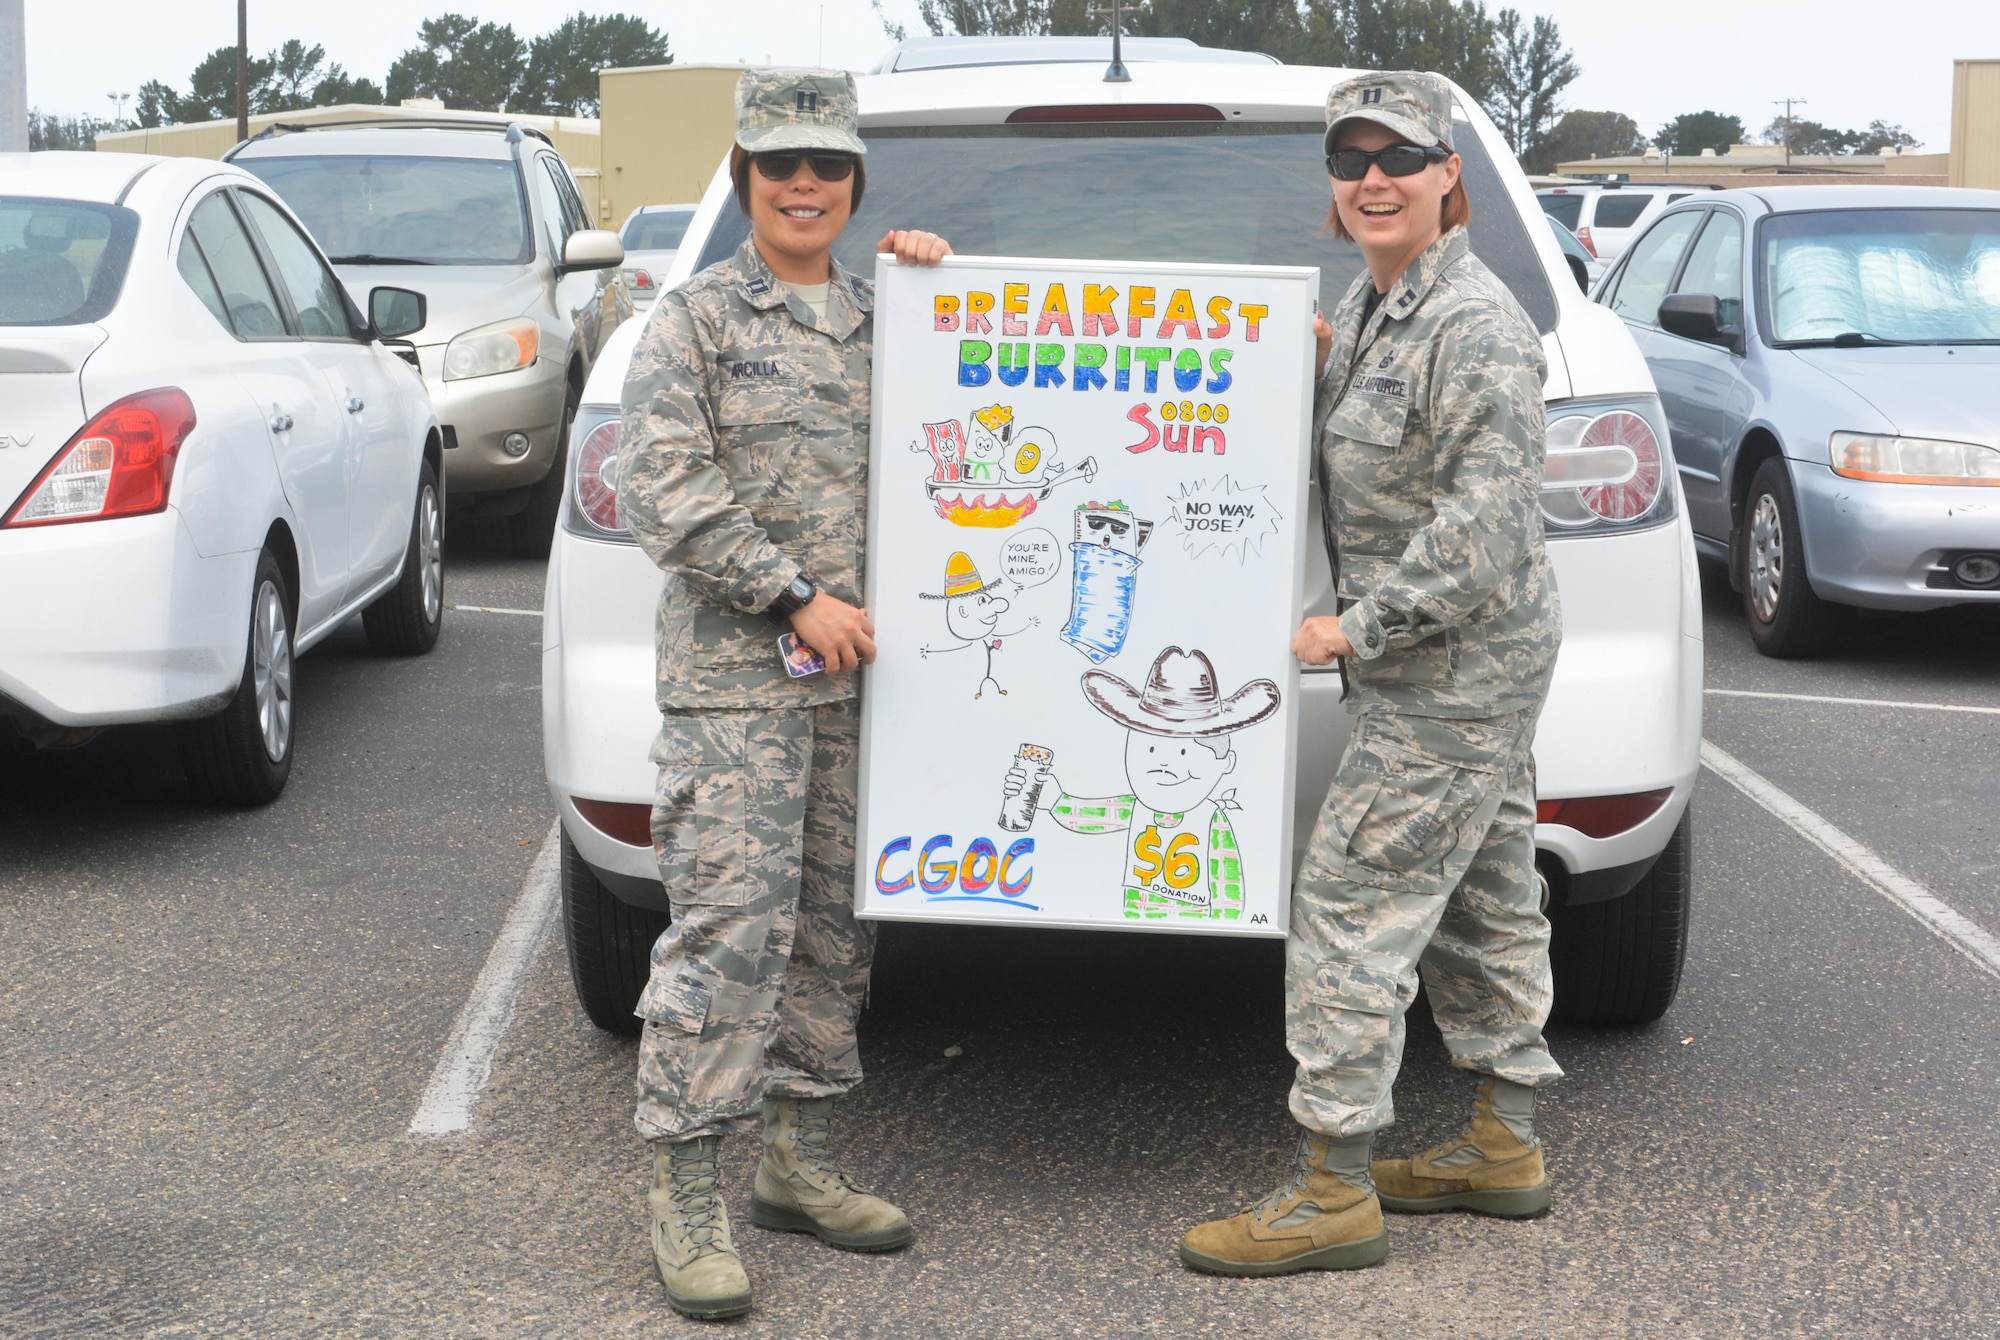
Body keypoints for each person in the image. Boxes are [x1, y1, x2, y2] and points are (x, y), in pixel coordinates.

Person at [1179, 70, 1564, 1277]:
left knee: (1349, 903)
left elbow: (1485, 521)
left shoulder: (1473, 323)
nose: (1372, 180)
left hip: (1449, 663)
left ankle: (1330, 1188)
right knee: (1482, 887)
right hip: (1450, 665)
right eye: (1348, 162)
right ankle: (1501, 1146)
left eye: (1397, 155)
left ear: (1449, 175)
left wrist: (1354, 626)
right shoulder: (1374, 308)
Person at [613, 67, 953, 1321]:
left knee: (831, 927)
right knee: (726, 932)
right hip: (739, 686)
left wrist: (949, 284)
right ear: (746, 178)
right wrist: (788, 591)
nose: (801, 184)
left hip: (865, 690)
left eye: (824, 165)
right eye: (777, 165)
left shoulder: (896, 314)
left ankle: (797, 1163)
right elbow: (665, 486)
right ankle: (686, 1191)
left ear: (856, 183)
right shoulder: (694, 318)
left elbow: (996, 402)